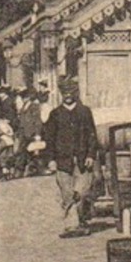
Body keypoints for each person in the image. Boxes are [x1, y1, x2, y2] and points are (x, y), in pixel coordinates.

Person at [44, 78, 98, 237]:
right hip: (62, 160)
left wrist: (90, 155)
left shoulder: (85, 112)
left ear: (75, 93)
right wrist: (51, 159)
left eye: (70, 92)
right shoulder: (55, 114)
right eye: (64, 93)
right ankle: (72, 225)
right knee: (66, 193)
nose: (67, 95)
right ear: (61, 94)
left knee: (83, 190)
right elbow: (50, 139)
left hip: (82, 160)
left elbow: (92, 135)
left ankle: (81, 218)